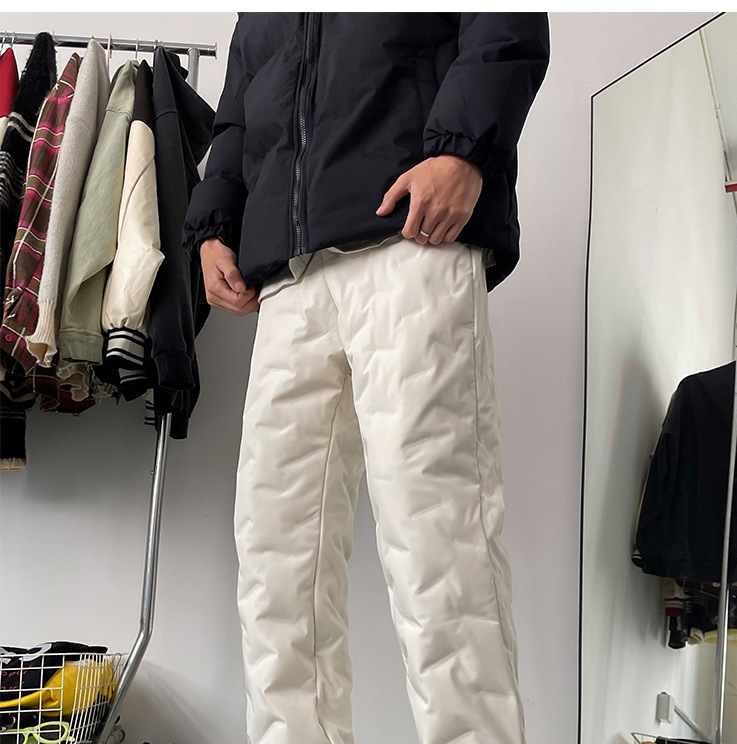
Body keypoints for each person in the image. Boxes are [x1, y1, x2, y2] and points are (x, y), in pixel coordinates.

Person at [183, 12, 550, 744]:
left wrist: (464, 152)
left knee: (436, 536)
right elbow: (241, 107)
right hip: (289, 274)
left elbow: (506, 22)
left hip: (410, 237)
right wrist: (214, 221)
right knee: (275, 553)